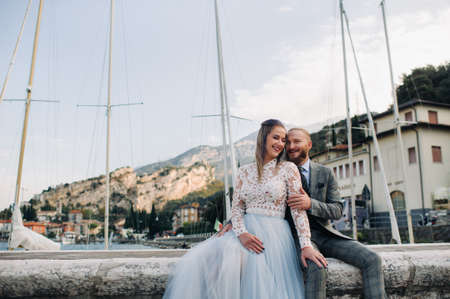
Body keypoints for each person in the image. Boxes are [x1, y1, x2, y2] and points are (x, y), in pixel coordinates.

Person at [163, 119, 326, 299]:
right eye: (276, 138)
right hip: (245, 231)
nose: (280, 144)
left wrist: (306, 245)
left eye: (283, 140)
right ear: (263, 138)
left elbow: (297, 211)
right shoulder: (244, 171)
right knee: (207, 263)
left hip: (275, 237)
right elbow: (237, 209)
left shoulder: (288, 169)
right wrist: (242, 234)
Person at [220, 127, 387, 299]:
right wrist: (231, 223)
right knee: (316, 267)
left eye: (297, 141)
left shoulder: (325, 172)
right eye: (288, 142)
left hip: (327, 235)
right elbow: (253, 200)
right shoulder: (277, 171)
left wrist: (310, 204)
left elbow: (337, 210)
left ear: (309, 144)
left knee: (372, 259)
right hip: (294, 238)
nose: (291, 146)